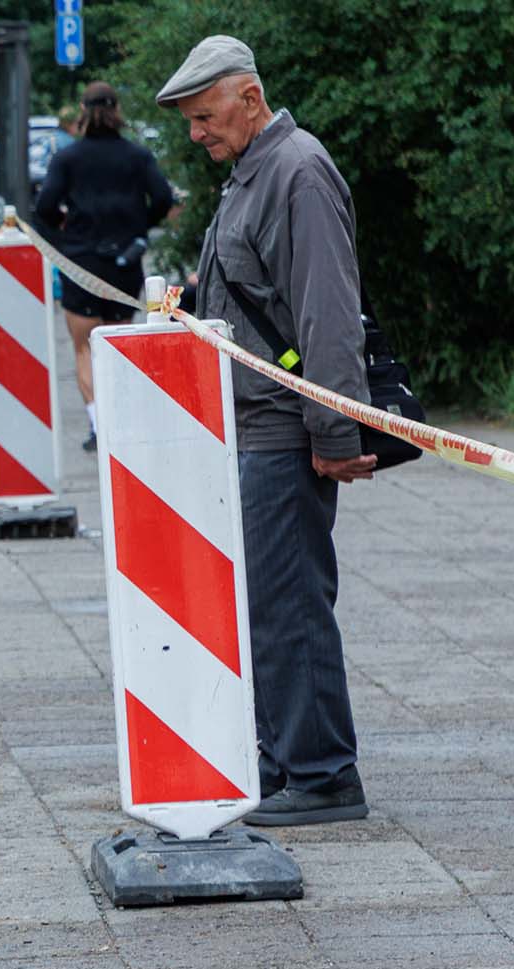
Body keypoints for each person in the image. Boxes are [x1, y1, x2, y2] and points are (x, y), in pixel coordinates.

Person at [158, 35, 373, 825]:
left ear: (250, 97)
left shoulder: (297, 171)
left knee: (287, 604)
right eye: (189, 123)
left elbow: (326, 313)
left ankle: (322, 773)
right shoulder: (256, 172)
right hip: (252, 425)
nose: (197, 135)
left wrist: (336, 431)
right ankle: (284, 762)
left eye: (205, 117)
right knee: (263, 604)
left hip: (285, 429)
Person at [34, 82, 172, 451]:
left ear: (83, 110)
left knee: (84, 348)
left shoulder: (68, 159)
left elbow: (44, 206)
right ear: (117, 110)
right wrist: (140, 225)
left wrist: (65, 226)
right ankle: (120, 421)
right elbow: (163, 197)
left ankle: (98, 425)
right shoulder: (137, 156)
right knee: (118, 344)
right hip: (124, 261)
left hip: (81, 262)